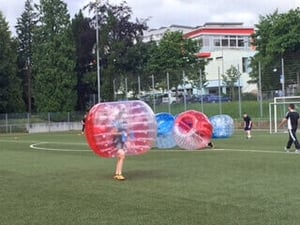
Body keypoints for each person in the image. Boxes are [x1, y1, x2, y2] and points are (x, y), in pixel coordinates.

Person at [112, 113, 128, 181]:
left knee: (120, 158)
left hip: (121, 142)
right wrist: (120, 133)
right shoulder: (117, 124)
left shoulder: (125, 124)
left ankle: (117, 174)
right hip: (117, 142)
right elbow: (112, 132)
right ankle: (119, 174)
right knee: (122, 156)